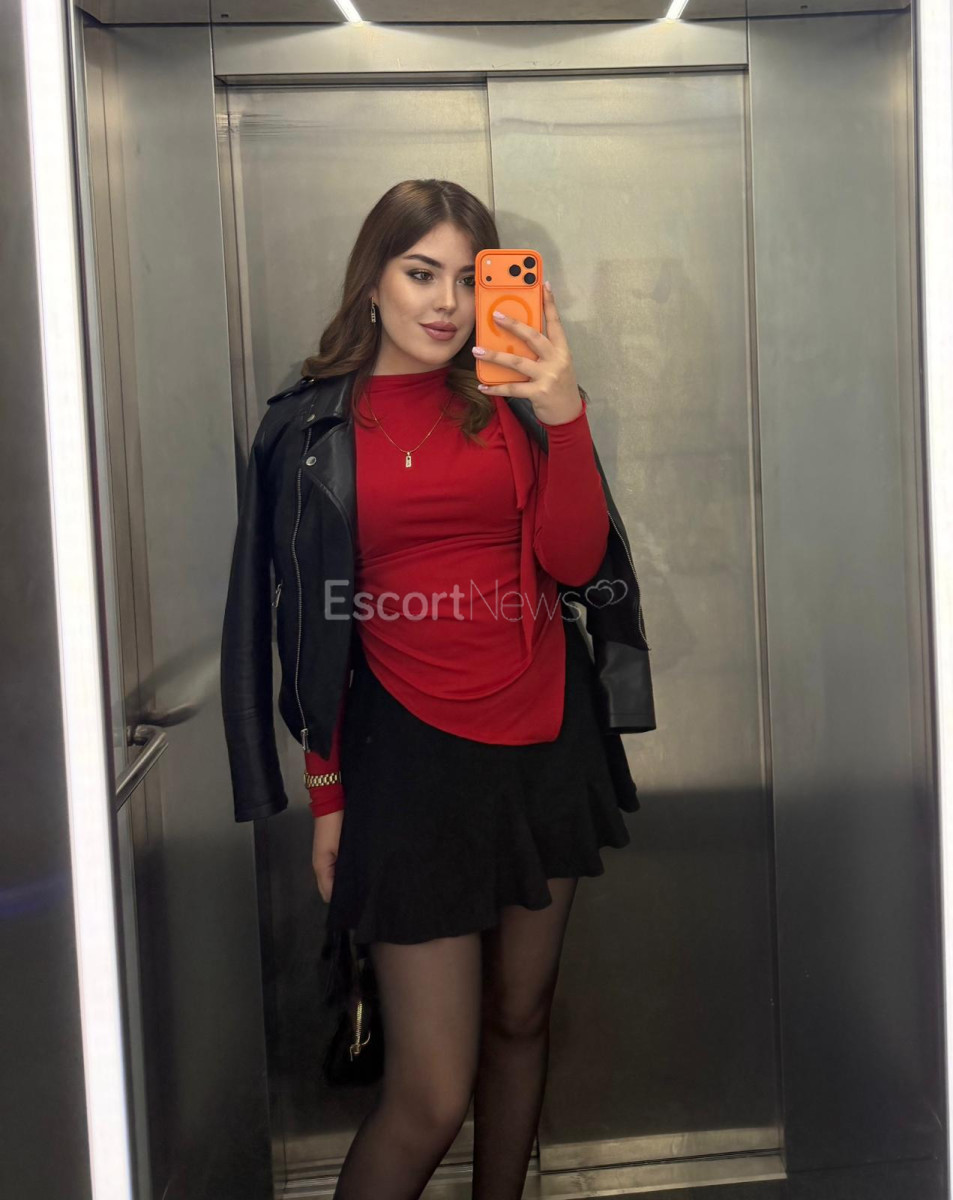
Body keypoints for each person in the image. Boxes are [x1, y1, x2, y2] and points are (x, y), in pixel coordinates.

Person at [221, 178, 652, 1200]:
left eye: (468, 278)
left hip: (545, 740)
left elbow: (575, 560)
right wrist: (326, 794)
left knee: (520, 1020)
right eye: (421, 273)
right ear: (372, 279)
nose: (447, 303)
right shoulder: (307, 428)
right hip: (406, 758)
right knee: (428, 1091)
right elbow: (306, 631)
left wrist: (563, 411)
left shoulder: (514, 403)